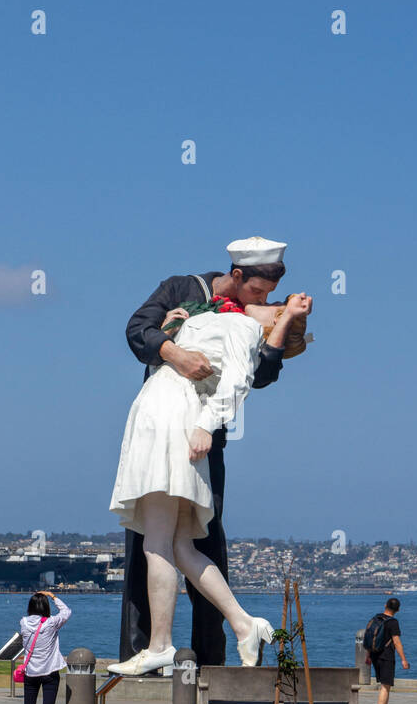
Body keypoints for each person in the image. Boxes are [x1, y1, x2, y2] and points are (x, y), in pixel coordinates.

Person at [120, 236, 307, 667]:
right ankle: (145, 647)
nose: (262, 300)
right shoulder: (181, 288)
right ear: (237, 276)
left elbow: (258, 376)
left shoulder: (246, 318)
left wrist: (282, 323)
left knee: (198, 539)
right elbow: (137, 330)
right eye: (258, 292)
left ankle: (205, 653)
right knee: (150, 545)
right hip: (164, 426)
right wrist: (176, 353)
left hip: (203, 437)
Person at [18, 590, 71, 704]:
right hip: (49, 672)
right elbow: (67, 612)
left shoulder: (24, 622)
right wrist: (53, 596)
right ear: (46, 607)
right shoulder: (51, 623)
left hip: (30, 673)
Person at [364, 597, 409, 704]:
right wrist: (404, 659)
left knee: (386, 684)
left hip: (374, 655)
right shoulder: (393, 622)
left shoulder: (375, 618)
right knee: (385, 685)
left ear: (385, 605)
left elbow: (368, 637)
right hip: (386, 656)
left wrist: (368, 655)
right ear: (398, 610)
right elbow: (396, 642)